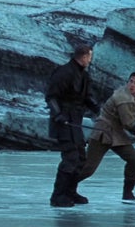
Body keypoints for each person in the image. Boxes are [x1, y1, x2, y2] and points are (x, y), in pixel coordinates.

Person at [77, 72, 135, 204]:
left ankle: (128, 193)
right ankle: (66, 188)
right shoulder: (123, 97)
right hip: (103, 132)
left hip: (117, 134)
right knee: (88, 168)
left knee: (134, 159)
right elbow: (127, 122)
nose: (132, 85)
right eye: (130, 81)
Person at [45, 44, 100, 208]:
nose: (90, 60)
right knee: (70, 158)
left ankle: (70, 192)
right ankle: (58, 196)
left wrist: (99, 110)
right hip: (63, 122)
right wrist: (58, 115)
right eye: (89, 57)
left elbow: (88, 98)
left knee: (81, 158)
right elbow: (51, 96)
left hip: (75, 122)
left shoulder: (83, 75)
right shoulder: (64, 72)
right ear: (83, 57)